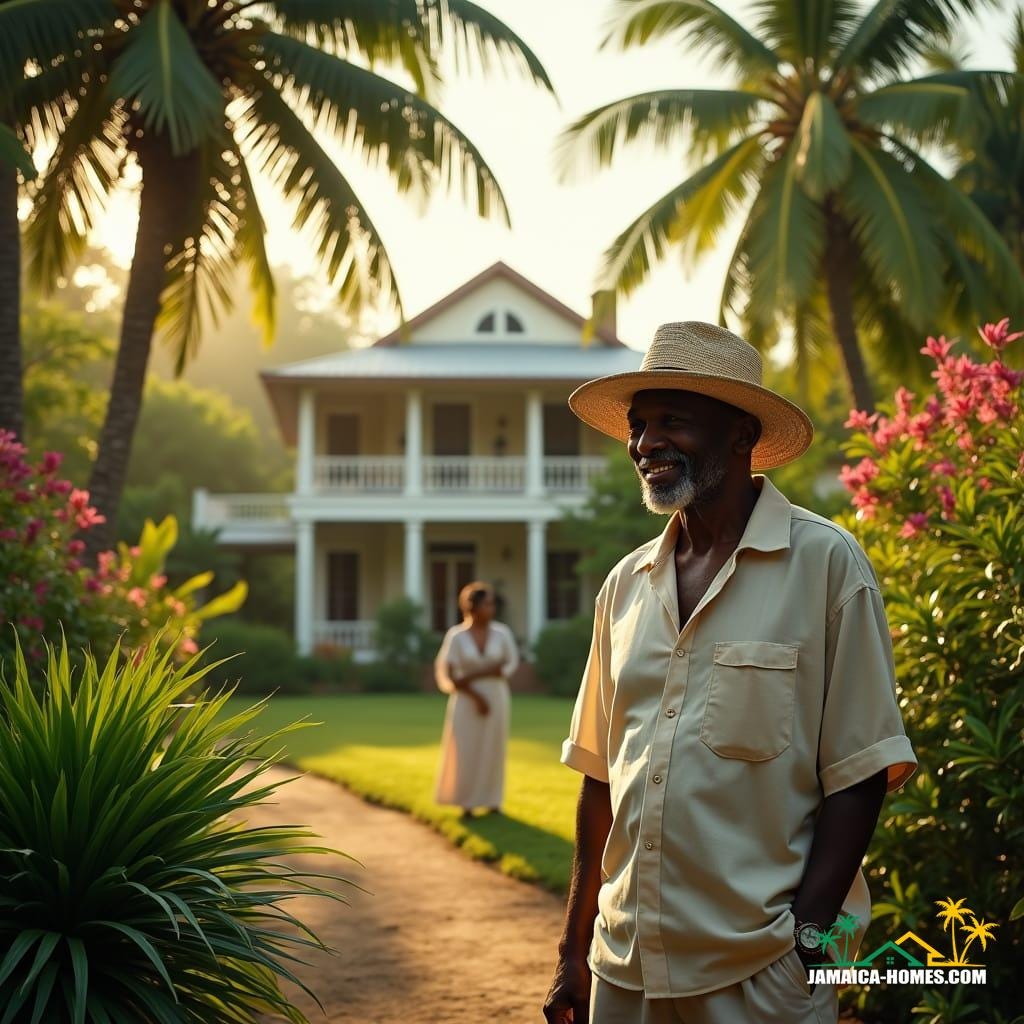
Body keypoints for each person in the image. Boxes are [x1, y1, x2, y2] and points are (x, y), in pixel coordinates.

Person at [542, 322, 918, 1024]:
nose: (645, 442)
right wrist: (573, 949)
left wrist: (804, 947)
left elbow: (861, 773)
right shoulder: (624, 588)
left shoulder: (826, 567)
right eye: (638, 424)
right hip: (623, 966)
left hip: (759, 977)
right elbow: (601, 777)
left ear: (741, 435)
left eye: (672, 421)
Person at [433, 581, 519, 817]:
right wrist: (476, 694)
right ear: (472, 607)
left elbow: (510, 662)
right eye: (487, 604)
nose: (491, 609)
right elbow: (449, 673)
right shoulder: (456, 636)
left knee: (494, 747)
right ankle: (467, 803)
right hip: (465, 699)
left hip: (497, 695)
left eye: (492, 604)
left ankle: (493, 801)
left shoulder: (502, 633)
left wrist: (484, 675)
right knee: (465, 748)